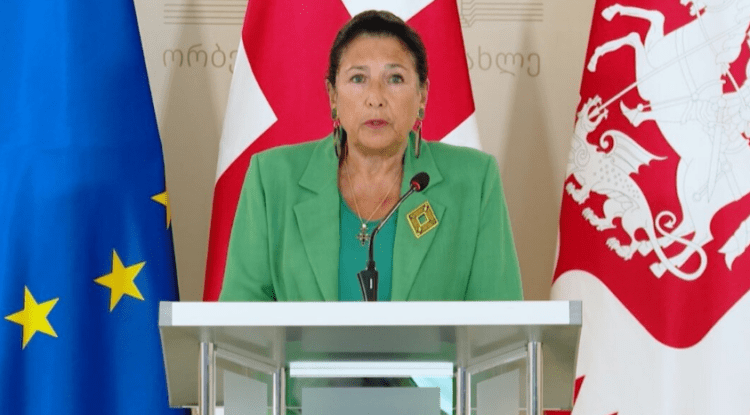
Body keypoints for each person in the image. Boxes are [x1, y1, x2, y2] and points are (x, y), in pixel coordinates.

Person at [219, 10, 522, 303]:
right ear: (333, 96)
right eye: (358, 79)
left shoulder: (474, 181)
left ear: (422, 95)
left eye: (395, 79)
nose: (375, 98)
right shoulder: (272, 178)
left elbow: (500, 325)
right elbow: (239, 322)